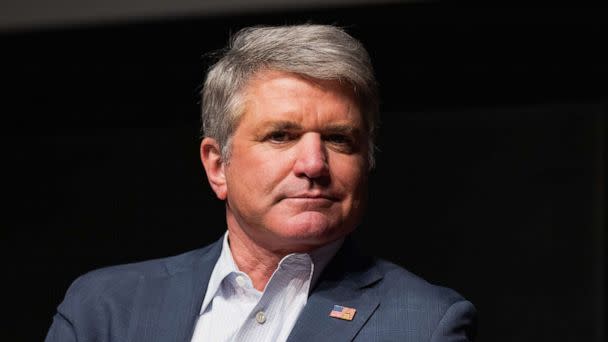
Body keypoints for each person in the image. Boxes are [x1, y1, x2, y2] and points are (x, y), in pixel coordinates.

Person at [45, 24, 477, 342]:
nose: (313, 163)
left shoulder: (426, 324)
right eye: (281, 136)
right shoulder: (104, 310)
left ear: (367, 161)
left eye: (339, 139)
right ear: (218, 166)